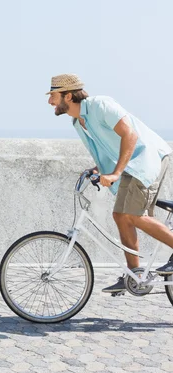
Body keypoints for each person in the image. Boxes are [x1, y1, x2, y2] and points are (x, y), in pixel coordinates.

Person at [47, 73, 173, 293]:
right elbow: (107, 148)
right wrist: (98, 169)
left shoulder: (100, 105)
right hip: (130, 165)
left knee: (134, 215)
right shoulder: (79, 122)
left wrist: (115, 173)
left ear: (68, 96)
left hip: (147, 159)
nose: (50, 102)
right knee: (120, 215)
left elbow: (130, 135)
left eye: (53, 96)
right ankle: (134, 276)